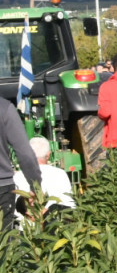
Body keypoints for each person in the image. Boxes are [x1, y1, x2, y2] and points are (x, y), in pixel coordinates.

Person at [0, 97, 40, 230]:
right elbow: (25, 153)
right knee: (4, 243)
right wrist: (35, 186)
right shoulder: (4, 108)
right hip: (2, 187)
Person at [13, 136, 75, 212]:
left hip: (27, 222)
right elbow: (70, 204)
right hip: (57, 220)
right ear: (48, 155)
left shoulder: (17, 176)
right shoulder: (60, 174)